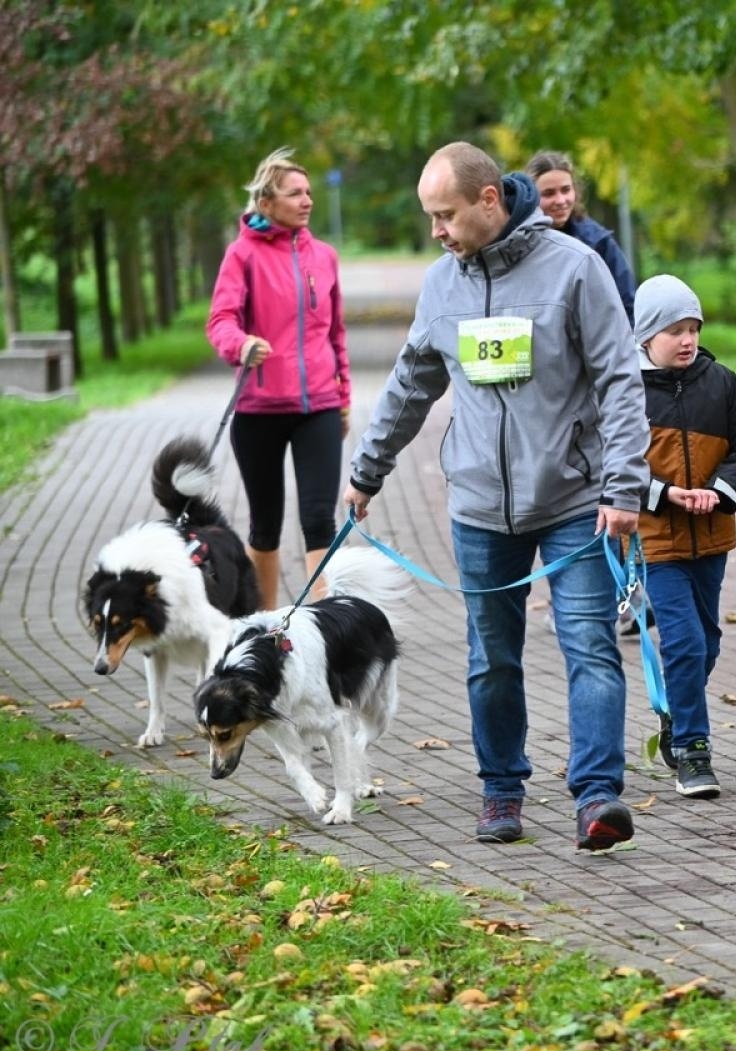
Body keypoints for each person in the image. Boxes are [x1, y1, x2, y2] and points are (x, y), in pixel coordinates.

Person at [343, 142, 650, 853]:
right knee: (492, 658)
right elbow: (413, 381)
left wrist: (625, 485)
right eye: (429, 218)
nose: (437, 231)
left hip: (577, 498)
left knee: (591, 649)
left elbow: (620, 380)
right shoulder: (441, 285)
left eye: (445, 215)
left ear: (489, 201)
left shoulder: (576, 267)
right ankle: (501, 790)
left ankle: (598, 797)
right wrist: (366, 471)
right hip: (480, 506)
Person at [633, 274, 736, 799]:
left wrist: (720, 490)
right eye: (674, 331)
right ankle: (693, 750)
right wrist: (663, 495)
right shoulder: (623, 388)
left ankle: (671, 710)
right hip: (656, 538)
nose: (687, 340)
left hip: (711, 535)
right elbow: (604, 459)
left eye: (693, 328)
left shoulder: (722, 382)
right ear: (646, 336)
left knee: (706, 644)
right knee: (684, 642)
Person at [207, 147, 349, 609]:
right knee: (265, 525)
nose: (307, 200)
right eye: (295, 194)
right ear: (267, 203)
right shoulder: (241, 255)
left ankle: (324, 626)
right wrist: (242, 345)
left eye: (309, 192)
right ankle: (264, 624)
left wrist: (342, 395)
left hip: (319, 410)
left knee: (319, 519)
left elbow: (336, 333)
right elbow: (220, 320)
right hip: (259, 411)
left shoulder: (324, 256)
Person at [526, 150, 638, 322]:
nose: (561, 200)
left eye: (566, 190)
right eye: (548, 193)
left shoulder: (599, 243)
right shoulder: (518, 246)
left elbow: (627, 307)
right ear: (531, 196)